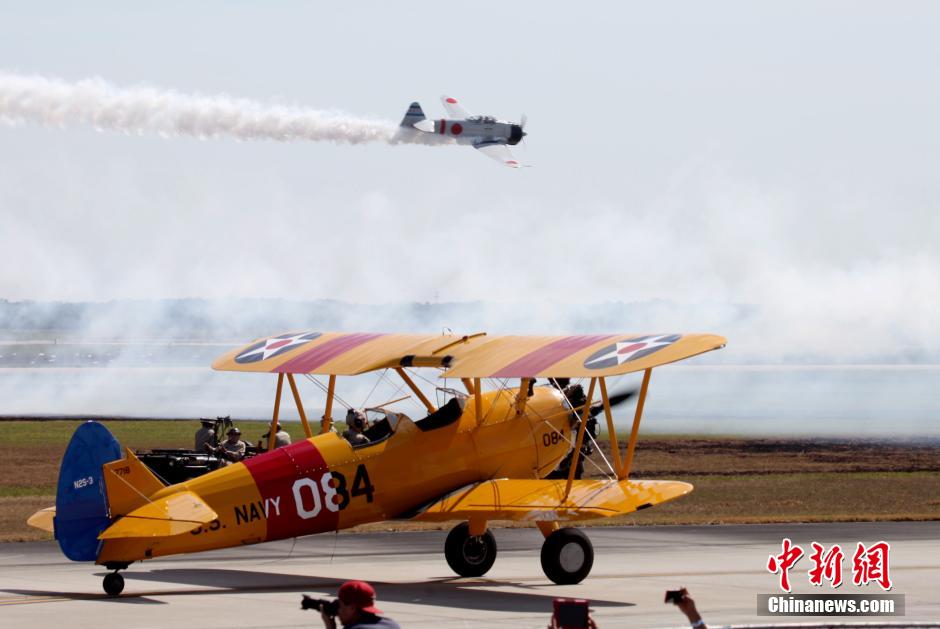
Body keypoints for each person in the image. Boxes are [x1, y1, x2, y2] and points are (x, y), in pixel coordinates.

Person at [320, 580, 399, 629]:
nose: (338, 612)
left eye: (339, 606)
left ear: (352, 608)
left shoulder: (355, 628)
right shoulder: (392, 624)